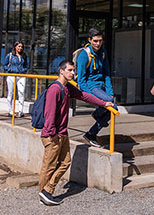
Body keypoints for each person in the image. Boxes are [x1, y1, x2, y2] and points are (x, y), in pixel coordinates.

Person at [38, 60, 113, 206]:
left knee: (65, 162)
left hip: (62, 133)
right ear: (61, 71)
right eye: (70, 70)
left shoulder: (67, 88)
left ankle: (46, 191)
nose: (73, 73)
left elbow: (84, 96)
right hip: (53, 135)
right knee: (49, 166)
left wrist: (103, 103)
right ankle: (45, 194)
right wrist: (52, 133)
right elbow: (50, 113)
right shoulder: (55, 89)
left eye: (74, 70)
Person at [76, 28, 118, 147]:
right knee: (111, 104)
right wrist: (91, 96)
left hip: (101, 87)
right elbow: (81, 80)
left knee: (112, 110)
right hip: (91, 86)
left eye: (100, 40)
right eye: (95, 41)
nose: (98, 43)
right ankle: (94, 125)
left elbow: (107, 74)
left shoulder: (103, 53)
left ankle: (92, 132)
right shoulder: (84, 55)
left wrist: (110, 92)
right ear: (89, 40)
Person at [3, 41, 29, 117]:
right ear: (15, 47)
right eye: (19, 46)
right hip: (11, 76)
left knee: (21, 93)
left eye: (21, 47)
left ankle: (20, 111)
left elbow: (27, 65)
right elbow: (4, 65)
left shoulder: (24, 56)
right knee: (11, 93)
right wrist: (9, 70)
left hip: (21, 76)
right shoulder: (10, 55)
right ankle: (10, 111)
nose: (20, 48)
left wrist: (23, 71)